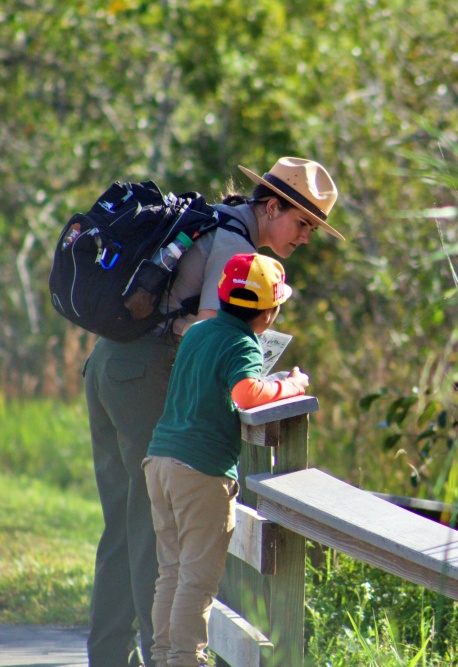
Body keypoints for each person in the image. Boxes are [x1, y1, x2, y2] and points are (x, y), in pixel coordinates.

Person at [83, 157, 341, 666]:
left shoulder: (214, 223)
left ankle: (111, 657)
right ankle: (165, 659)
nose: (306, 237)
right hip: (143, 377)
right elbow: (213, 337)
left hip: (108, 367)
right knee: (150, 537)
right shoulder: (234, 247)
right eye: (303, 223)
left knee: (123, 526)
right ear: (271, 206)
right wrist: (273, 382)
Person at [144, 253, 309, 667]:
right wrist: (290, 385)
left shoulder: (199, 331)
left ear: (221, 293)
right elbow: (247, 394)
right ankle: (185, 659)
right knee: (197, 581)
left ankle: (163, 656)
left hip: (160, 459)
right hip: (200, 471)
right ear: (269, 313)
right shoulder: (242, 342)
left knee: (172, 571)